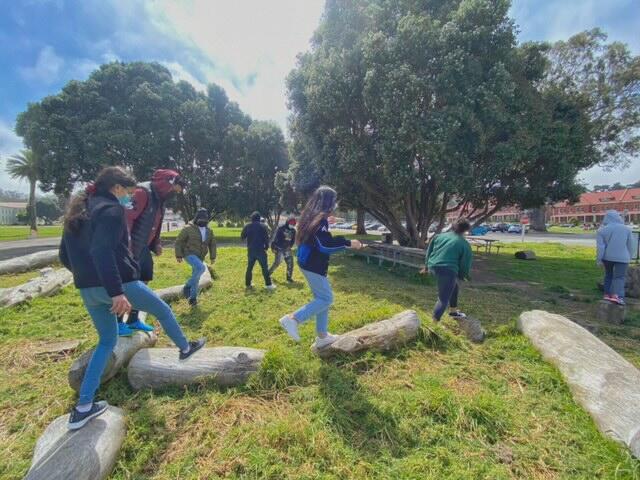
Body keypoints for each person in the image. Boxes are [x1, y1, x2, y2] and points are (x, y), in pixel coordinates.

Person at [59, 166, 205, 430]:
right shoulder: (112, 210)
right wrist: (115, 291)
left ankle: (83, 407)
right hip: (120, 284)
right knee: (162, 310)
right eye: (128, 192)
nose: (130, 198)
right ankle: (185, 348)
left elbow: (64, 256)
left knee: (106, 341)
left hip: (87, 290)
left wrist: (88, 279)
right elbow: (103, 252)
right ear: (116, 188)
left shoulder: (79, 210)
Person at [278, 186, 362, 349]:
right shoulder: (319, 219)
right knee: (326, 298)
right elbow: (324, 244)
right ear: (328, 202)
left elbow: (317, 238)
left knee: (322, 299)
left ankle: (322, 336)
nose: (335, 204)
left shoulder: (311, 216)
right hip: (313, 264)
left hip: (307, 262)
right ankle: (293, 319)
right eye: (334, 200)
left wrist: (327, 223)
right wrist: (348, 243)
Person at [117, 169, 186, 336]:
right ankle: (118, 323)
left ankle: (133, 319)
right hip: (130, 249)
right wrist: (125, 247)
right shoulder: (142, 192)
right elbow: (126, 218)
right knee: (127, 286)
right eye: (173, 189)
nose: (173, 194)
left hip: (143, 248)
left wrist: (156, 243)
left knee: (144, 279)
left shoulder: (159, 199)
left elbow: (156, 223)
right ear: (166, 183)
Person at [421, 218, 473, 321]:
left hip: (433, 266)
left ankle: (453, 311)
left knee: (454, 286)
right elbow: (465, 264)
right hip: (447, 270)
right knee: (443, 298)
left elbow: (429, 252)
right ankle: (434, 323)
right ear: (465, 230)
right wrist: (464, 275)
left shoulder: (438, 236)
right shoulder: (464, 244)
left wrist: (426, 267)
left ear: (453, 226)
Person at [175, 208, 217, 306]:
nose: (203, 222)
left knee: (197, 276)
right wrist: (178, 255)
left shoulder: (209, 231)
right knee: (201, 268)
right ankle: (187, 286)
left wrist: (213, 256)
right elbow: (179, 241)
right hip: (188, 254)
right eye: (201, 220)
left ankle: (192, 299)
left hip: (200, 256)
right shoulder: (188, 228)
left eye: (205, 220)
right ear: (196, 218)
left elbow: (212, 244)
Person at [597, 210, 635, 305]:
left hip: (607, 257)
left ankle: (606, 294)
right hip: (623, 258)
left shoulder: (602, 230)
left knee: (608, 275)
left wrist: (599, 260)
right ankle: (616, 296)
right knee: (619, 277)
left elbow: (600, 247)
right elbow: (631, 245)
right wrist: (629, 257)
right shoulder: (627, 229)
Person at [241, 211, 275, 290]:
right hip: (260, 250)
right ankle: (268, 285)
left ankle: (248, 284)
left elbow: (242, 237)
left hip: (251, 250)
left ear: (251, 218)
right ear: (259, 218)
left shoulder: (247, 226)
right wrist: (266, 247)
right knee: (264, 268)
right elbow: (266, 238)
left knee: (249, 268)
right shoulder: (263, 226)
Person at [268, 216, 297, 282]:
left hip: (287, 249)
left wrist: (290, 246)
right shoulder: (281, 228)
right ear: (287, 222)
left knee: (290, 264)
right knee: (277, 263)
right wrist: (273, 247)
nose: (292, 225)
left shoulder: (293, 231)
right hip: (279, 249)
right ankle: (268, 273)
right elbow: (275, 238)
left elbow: (293, 240)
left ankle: (289, 278)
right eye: (291, 223)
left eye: (293, 224)